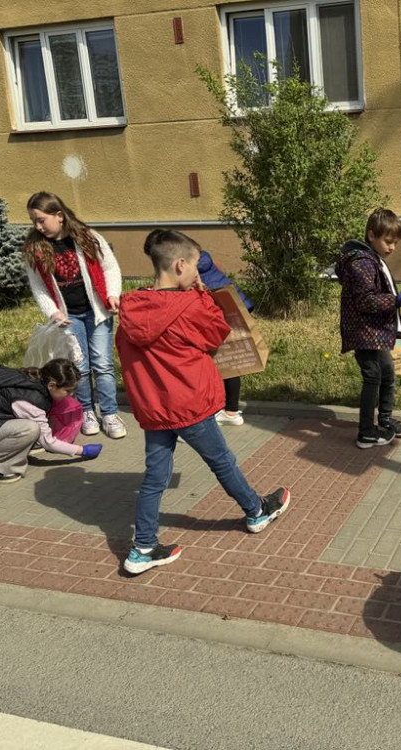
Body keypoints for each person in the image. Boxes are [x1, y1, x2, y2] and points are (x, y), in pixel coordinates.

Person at [115, 229, 290, 575]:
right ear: (180, 265)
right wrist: (202, 294)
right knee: (222, 460)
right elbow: (217, 332)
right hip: (189, 405)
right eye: (196, 266)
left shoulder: (133, 307)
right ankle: (256, 511)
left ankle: (143, 548)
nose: (198, 274)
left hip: (155, 409)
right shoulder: (190, 304)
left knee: (155, 477)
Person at [23, 192, 127, 440]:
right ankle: (87, 412)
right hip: (69, 318)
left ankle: (110, 414)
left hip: (97, 313)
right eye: (34, 221)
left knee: (103, 364)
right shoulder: (34, 248)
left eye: (41, 220)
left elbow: (110, 267)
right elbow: (38, 287)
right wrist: (54, 312)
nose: (38, 226)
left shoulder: (88, 237)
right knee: (79, 366)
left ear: (59, 216)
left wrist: (113, 294)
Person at [336, 208, 401, 449]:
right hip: (364, 332)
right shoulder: (362, 262)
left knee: (387, 372)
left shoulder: (373, 258)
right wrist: (396, 300)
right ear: (371, 235)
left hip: (375, 331)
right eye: (388, 241)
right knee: (373, 377)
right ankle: (366, 432)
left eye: (395, 243)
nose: (392, 247)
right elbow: (366, 301)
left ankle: (385, 420)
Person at [0, 358, 103, 484]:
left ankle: (9, 449)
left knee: (35, 427)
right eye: (68, 391)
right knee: (30, 429)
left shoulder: (34, 378)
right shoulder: (30, 400)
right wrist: (82, 450)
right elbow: (48, 443)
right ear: (52, 385)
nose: (71, 395)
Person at [196, 249, 254, 427]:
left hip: (218, 321)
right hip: (235, 316)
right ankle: (232, 411)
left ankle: (216, 410)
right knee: (230, 363)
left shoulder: (198, 279)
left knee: (215, 363)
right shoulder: (211, 267)